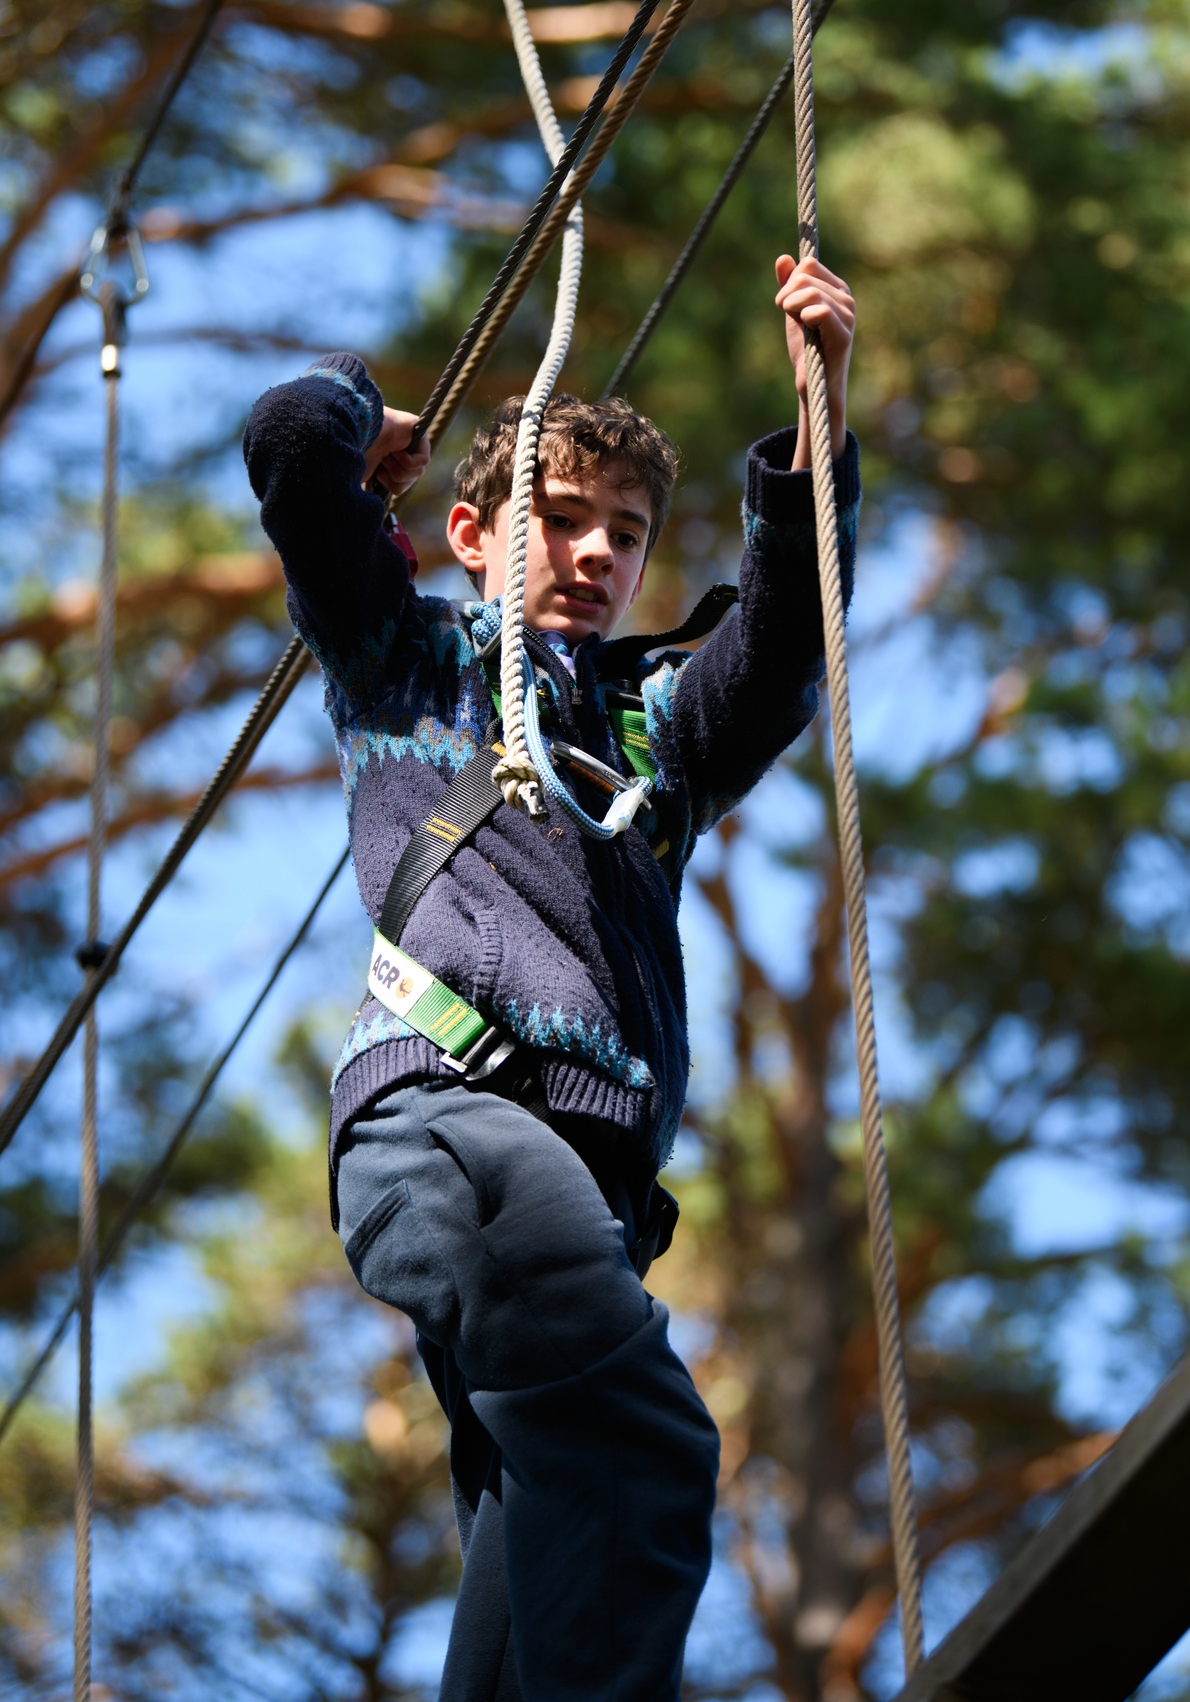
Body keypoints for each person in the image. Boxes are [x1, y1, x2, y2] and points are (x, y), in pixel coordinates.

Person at [242, 253, 860, 1702]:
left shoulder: (658, 735)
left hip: (587, 1194)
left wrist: (820, 424)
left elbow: (788, 640)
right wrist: (362, 410)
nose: (594, 554)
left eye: (625, 534)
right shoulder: (405, 660)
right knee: (640, 1449)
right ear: (469, 534)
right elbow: (289, 445)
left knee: (538, 1549)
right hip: (449, 1119)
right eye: (559, 517)